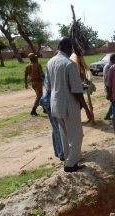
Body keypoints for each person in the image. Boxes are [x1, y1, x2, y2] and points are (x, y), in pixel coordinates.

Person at [45, 37, 93, 173]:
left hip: (56, 104)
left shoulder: (50, 62)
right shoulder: (69, 64)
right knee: (76, 135)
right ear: (70, 48)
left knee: (64, 135)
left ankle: (68, 160)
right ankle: (71, 165)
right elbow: (77, 91)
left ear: (58, 47)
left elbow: (52, 85)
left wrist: (79, 84)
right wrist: (87, 109)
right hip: (68, 105)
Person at [39, 73, 64, 161]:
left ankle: (57, 152)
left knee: (55, 128)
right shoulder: (55, 77)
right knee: (58, 128)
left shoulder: (48, 74)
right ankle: (61, 153)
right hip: (51, 103)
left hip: (47, 102)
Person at [103, 53, 115, 120]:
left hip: (109, 87)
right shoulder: (110, 67)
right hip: (110, 88)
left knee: (113, 102)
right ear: (114, 60)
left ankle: (108, 115)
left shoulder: (107, 65)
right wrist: (109, 92)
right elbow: (108, 80)